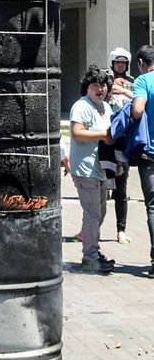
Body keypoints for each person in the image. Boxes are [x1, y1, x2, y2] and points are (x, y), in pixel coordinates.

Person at [71, 65, 115, 274]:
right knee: (93, 214)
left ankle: (92, 250)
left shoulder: (106, 108)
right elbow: (77, 133)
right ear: (86, 88)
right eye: (95, 86)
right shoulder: (82, 106)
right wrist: (102, 135)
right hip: (85, 168)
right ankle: (90, 257)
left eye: (103, 85)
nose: (100, 89)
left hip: (102, 168)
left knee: (100, 212)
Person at [129, 49, 154, 276]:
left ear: (140, 63)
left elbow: (137, 110)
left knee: (153, 206)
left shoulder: (143, 80)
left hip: (151, 154)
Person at [107, 46, 134, 245]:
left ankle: (121, 229)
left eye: (123, 63)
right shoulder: (104, 80)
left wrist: (124, 89)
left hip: (125, 139)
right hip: (107, 138)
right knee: (100, 186)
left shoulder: (133, 83)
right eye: (117, 62)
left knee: (121, 187)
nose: (120, 66)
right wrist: (110, 87)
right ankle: (87, 228)